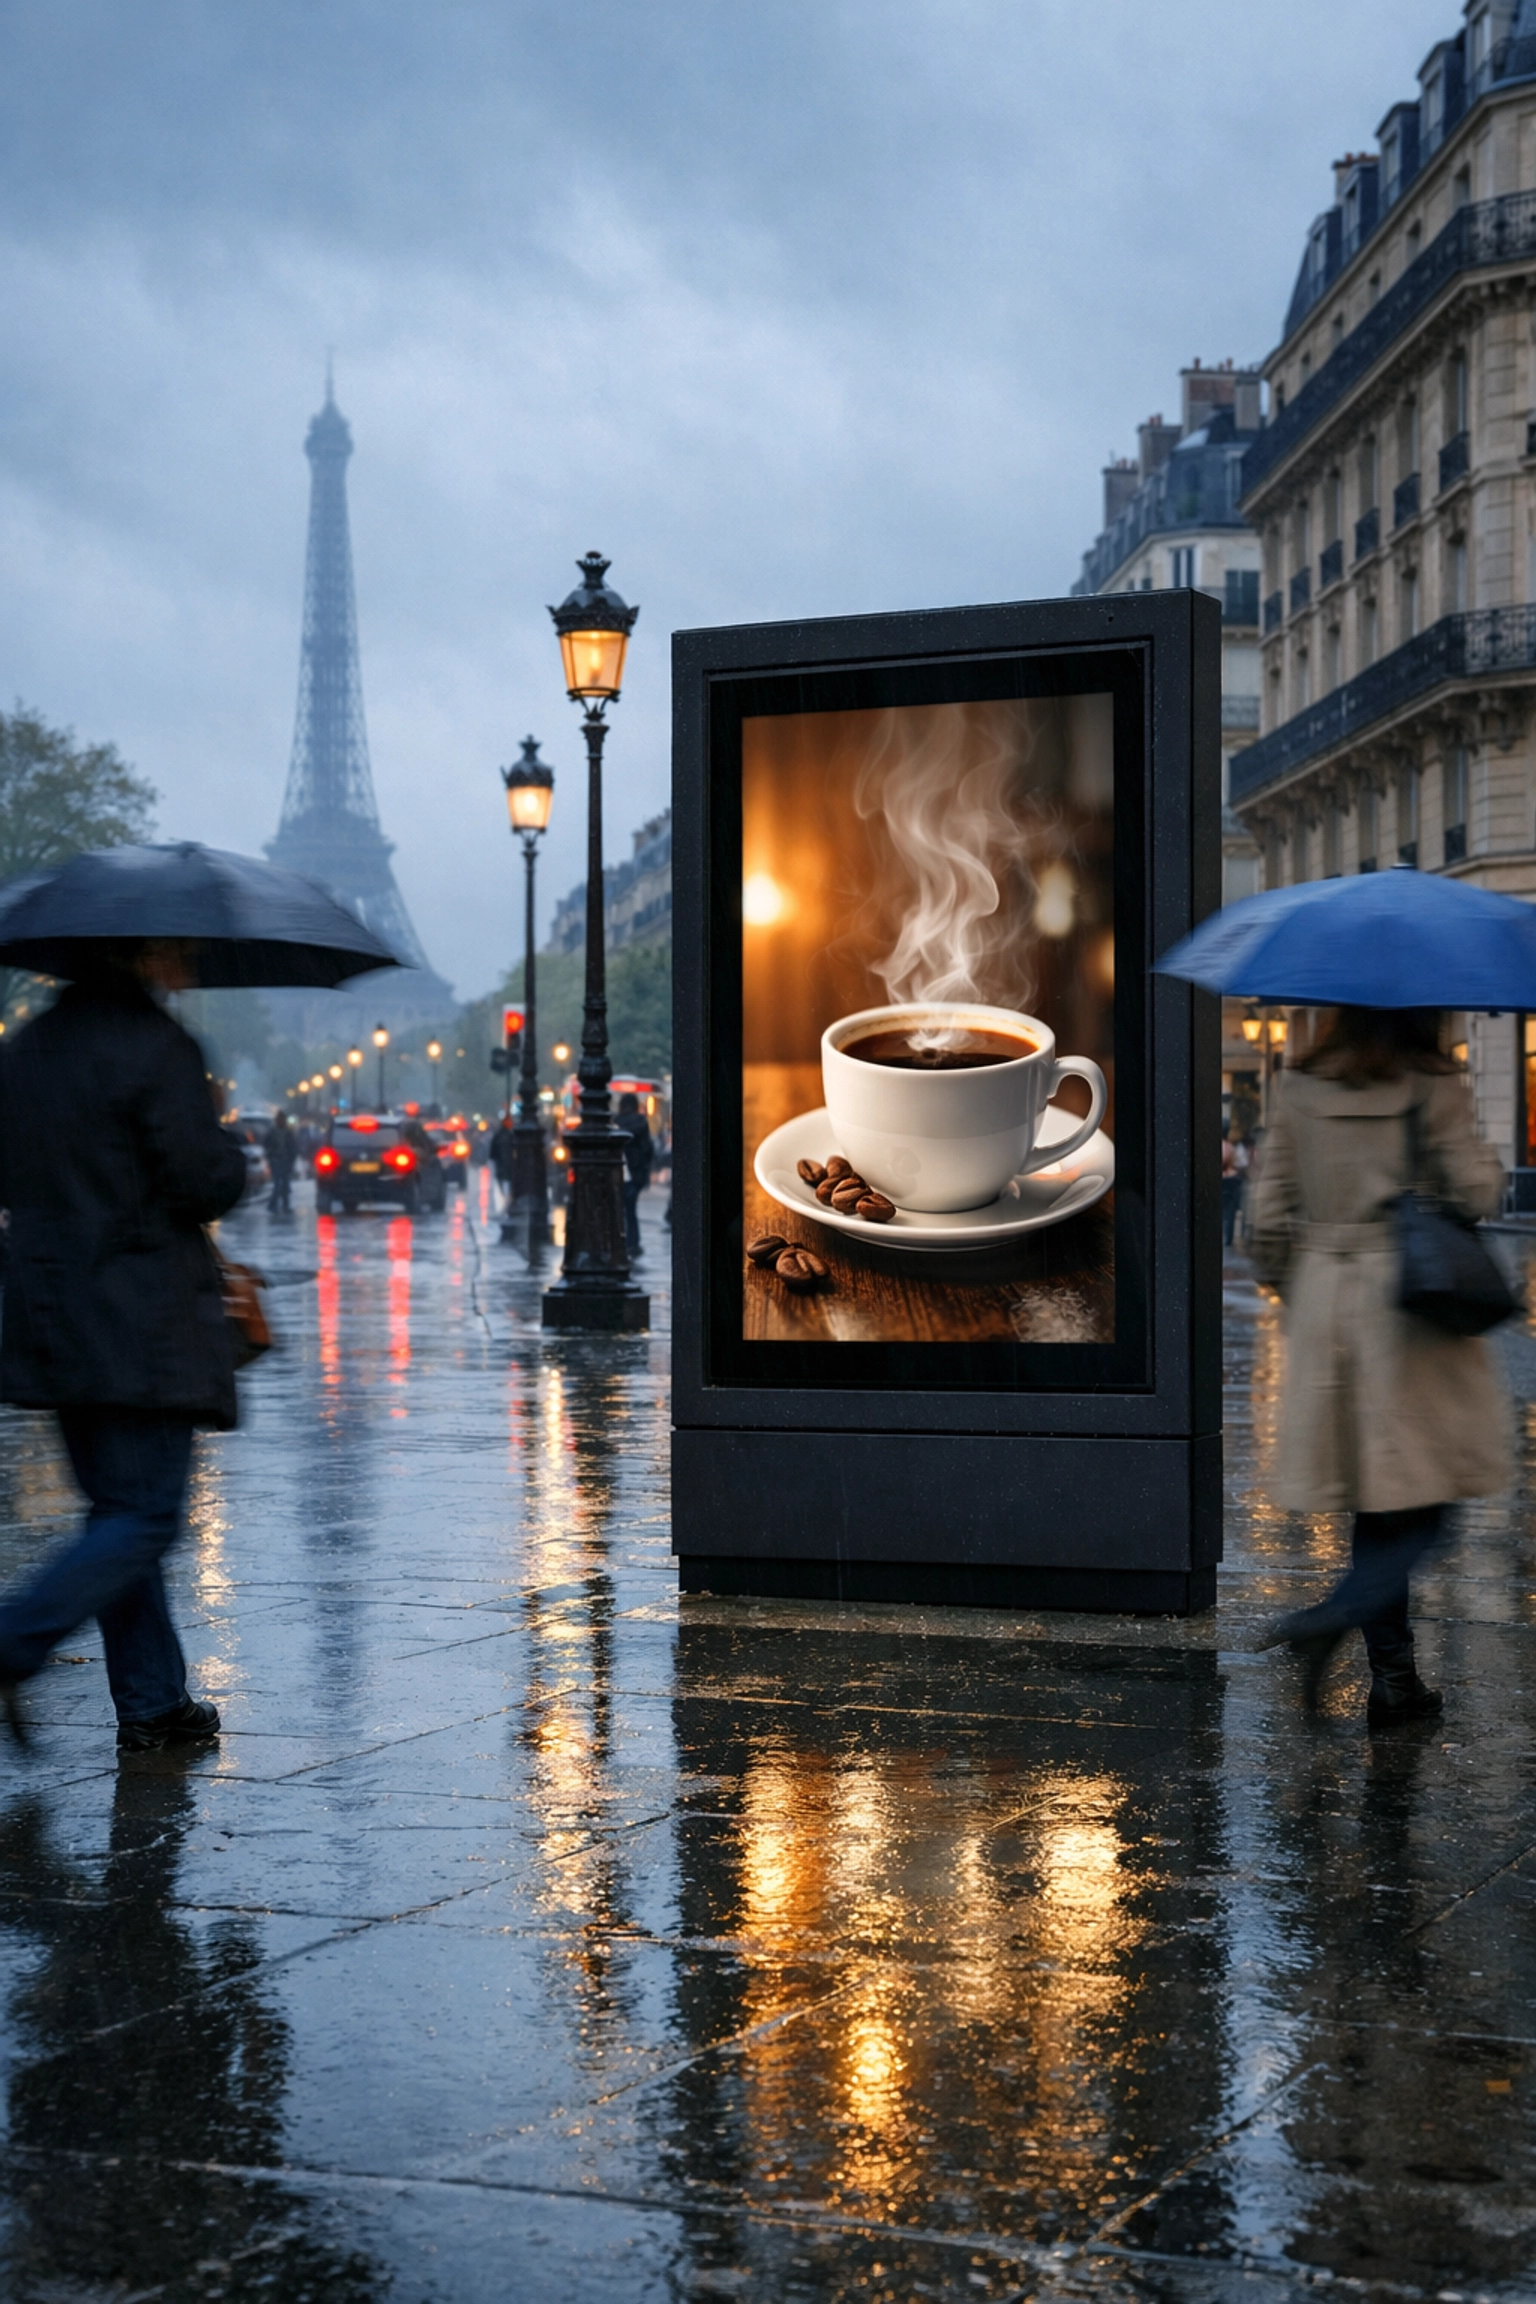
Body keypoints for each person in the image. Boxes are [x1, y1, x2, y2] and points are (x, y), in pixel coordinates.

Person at [0, 940, 249, 1752]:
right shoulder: (157, 1045)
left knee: (118, 1512)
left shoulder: (29, 1046)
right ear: (143, 956)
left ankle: (152, 1700)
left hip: (49, 1306)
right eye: (178, 952)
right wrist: (217, 1129)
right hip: (139, 1312)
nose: (189, 964)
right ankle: (15, 1638)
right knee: (143, 1516)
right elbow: (204, 1180)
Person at [1251, 1006, 1510, 1726]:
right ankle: (1336, 1615)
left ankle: (1395, 1682)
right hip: (1412, 1308)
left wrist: (1303, 1288)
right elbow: (1480, 1192)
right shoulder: (1433, 1082)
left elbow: (1267, 1221)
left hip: (1328, 1304)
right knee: (1431, 1505)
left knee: (1380, 1501)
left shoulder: (1299, 1086)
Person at [616, 1091, 653, 1259]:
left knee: (620, 1209)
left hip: (619, 1171)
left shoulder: (616, 1123)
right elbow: (648, 1149)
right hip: (635, 1173)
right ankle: (634, 1243)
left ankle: (622, 1241)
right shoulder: (641, 1123)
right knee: (631, 1210)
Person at [267, 1109, 297, 1215]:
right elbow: (266, 1145)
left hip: (285, 1161)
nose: (280, 1122)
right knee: (277, 1185)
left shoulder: (288, 1133)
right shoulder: (272, 1133)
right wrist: (270, 1155)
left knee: (285, 1185)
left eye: (282, 1120)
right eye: (279, 1120)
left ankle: (284, 1205)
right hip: (276, 1160)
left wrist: (292, 1160)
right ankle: (273, 1205)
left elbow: (293, 1147)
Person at [490, 1115, 517, 1212]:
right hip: (506, 1163)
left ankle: (506, 1197)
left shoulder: (500, 1135)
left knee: (503, 1180)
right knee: (507, 1180)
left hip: (503, 1163)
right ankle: (507, 1197)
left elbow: (493, 1152)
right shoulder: (509, 1135)